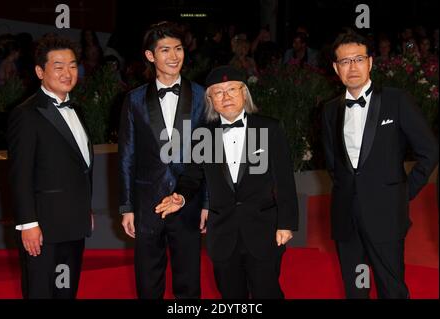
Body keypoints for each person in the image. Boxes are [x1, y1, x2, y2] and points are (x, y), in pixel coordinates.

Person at [155, 65, 299, 299]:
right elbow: (192, 177)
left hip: (264, 230)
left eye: (232, 89)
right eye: (218, 92)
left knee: (268, 292)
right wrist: (180, 197)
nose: (226, 96)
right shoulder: (203, 135)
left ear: (244, 93)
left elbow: (284, 180)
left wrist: (286, 223)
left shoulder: (269, 127)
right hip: (222, 233)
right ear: (210, 99)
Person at [322, 31, 438, 299]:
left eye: (359, 59)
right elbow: (333, 164)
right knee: (355, 291)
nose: (352, 67)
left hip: (386, 216)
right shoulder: (329, 110)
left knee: (392, 290)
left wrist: (403, 192)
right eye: (345, 61)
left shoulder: (396, 100)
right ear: (336, 68)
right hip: (345, 217)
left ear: (370, 62)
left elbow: (429, 151)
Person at [118, 21, 207, 299]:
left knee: (189, 282)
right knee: (148, 282)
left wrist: (207, 203)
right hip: (147, 203)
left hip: (189, 202)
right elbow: (127, 156)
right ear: (150, 56)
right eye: (165, 50)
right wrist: (127, 206)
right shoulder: (134, 100)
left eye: (178, 49)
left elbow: (209, 156)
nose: (173, 56)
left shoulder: (203, 96)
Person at [7, 35, 94, 299]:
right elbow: (19, 174)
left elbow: (80, 167)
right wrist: (28, 224)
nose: (67, 73)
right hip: (43, 228)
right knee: (41, 293)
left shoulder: (76, 110)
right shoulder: (26, 114)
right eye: (58, 66)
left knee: (66, 292)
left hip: (74, 224)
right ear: (39, 71)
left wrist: (85, 208)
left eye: (72, 65)